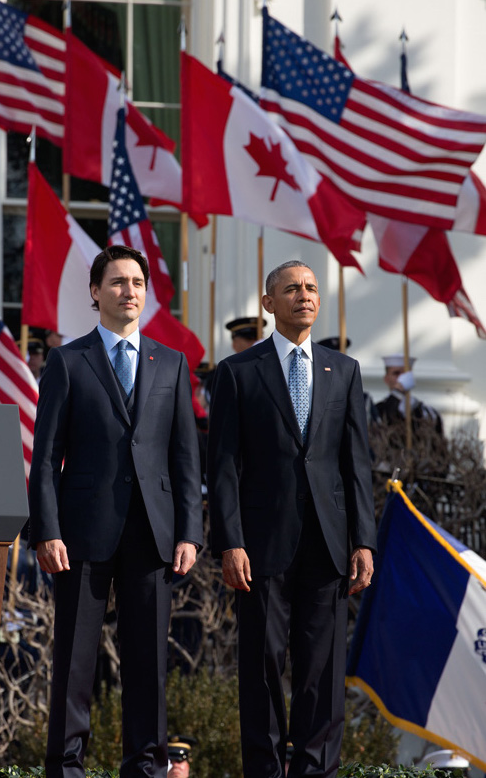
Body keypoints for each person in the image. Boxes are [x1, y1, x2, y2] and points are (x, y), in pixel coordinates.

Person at [28, 244, 203, 778]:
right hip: (81, 534)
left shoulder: (170, 363)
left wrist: (190, 533)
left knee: (148, 664)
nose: (130, 291)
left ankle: (145, 767)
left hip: (153, 535)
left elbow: (184, 459)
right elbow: (44, 457)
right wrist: (46, 529)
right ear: (95, 292)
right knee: (75, 662)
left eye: (137, 283)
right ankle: (67, 767)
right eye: (119, 282)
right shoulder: (66, 360)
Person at [207, 260, 377, 778]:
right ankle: (263, 770)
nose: (304, 296)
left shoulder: (343, 370)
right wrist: (229, 540)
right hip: (259, 547)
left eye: (310, 289)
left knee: (321, 675)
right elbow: (224, 468)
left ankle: (315, 770)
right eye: (291, 289)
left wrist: (363, 541)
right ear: (268, 304)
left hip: (327, 545)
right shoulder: (237, 372)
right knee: (261, 667)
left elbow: (356, 464)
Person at [376, 353, 443, 434]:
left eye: (405, 374)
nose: (402, 378)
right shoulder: (377, 410)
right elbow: (388, 418)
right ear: (386, 379)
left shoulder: (427, 412)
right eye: (396, 373)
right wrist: (398, 391)